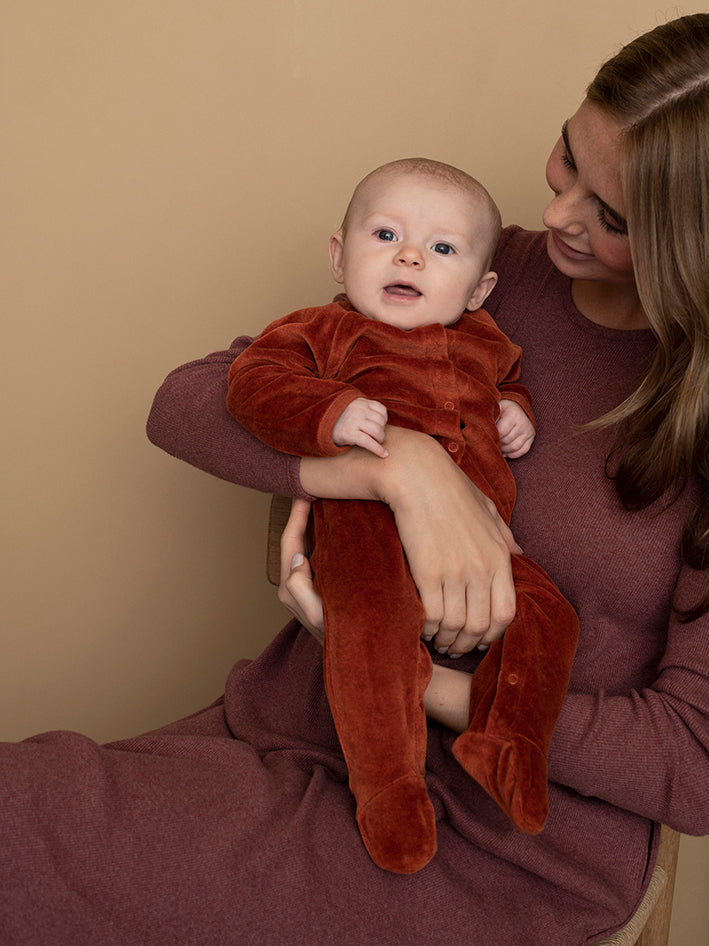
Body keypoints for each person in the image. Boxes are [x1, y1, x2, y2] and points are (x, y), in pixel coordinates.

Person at [1, 12, 708, 946]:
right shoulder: (477, 266)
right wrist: (404, 472)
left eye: (611, 218)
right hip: (288, 732)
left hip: (495, 844)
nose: (555, 216)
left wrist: (404, 676)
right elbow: (191, 401)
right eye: (566, 156)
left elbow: (693, 765)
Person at [225, 158, 579, 873]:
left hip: (485, 543)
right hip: (365, 527)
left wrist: (516, 411)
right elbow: (250, 384)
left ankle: (506, 739)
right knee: (370, 638)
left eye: (441, 249)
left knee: (550, 618)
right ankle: (387, 788)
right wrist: (329, 413)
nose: (410, 255)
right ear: (338, 256)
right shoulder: (323, 329)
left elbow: (504, 384)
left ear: (479, 289)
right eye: (384, 234)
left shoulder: (486, 340)